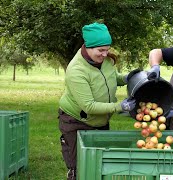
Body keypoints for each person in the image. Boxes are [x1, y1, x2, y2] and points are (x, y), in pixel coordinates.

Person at [58, 22, 137, 180]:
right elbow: (89, 106)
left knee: (99, 165)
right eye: (101, 50)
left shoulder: (104, 60)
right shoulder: (76, 70)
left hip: (100, 121)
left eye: (107, 49)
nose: (105, 54)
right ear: (88, 46)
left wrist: (128, 77)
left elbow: (111, 78)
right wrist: (119, 106)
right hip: (76, 121)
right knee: (78, 167)